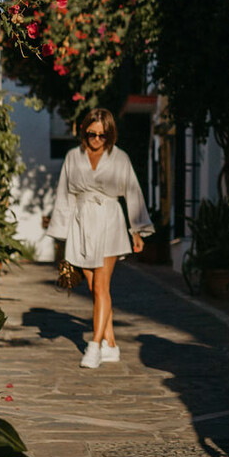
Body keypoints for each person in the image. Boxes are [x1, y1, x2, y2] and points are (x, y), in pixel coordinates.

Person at [46, 107, 151, 369]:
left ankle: (93, 346)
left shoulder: (120, 158)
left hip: (110, 222)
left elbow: (133, 193)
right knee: (95, 289)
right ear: (84, 132)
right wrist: (61, 235)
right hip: (81, 225)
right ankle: (111, 344)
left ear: (110, 135)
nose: (96, 140)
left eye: (102, 136)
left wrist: (136, 230)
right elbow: (64, 195)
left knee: (102, 287)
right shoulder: (73, 157)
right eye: (91, 134)